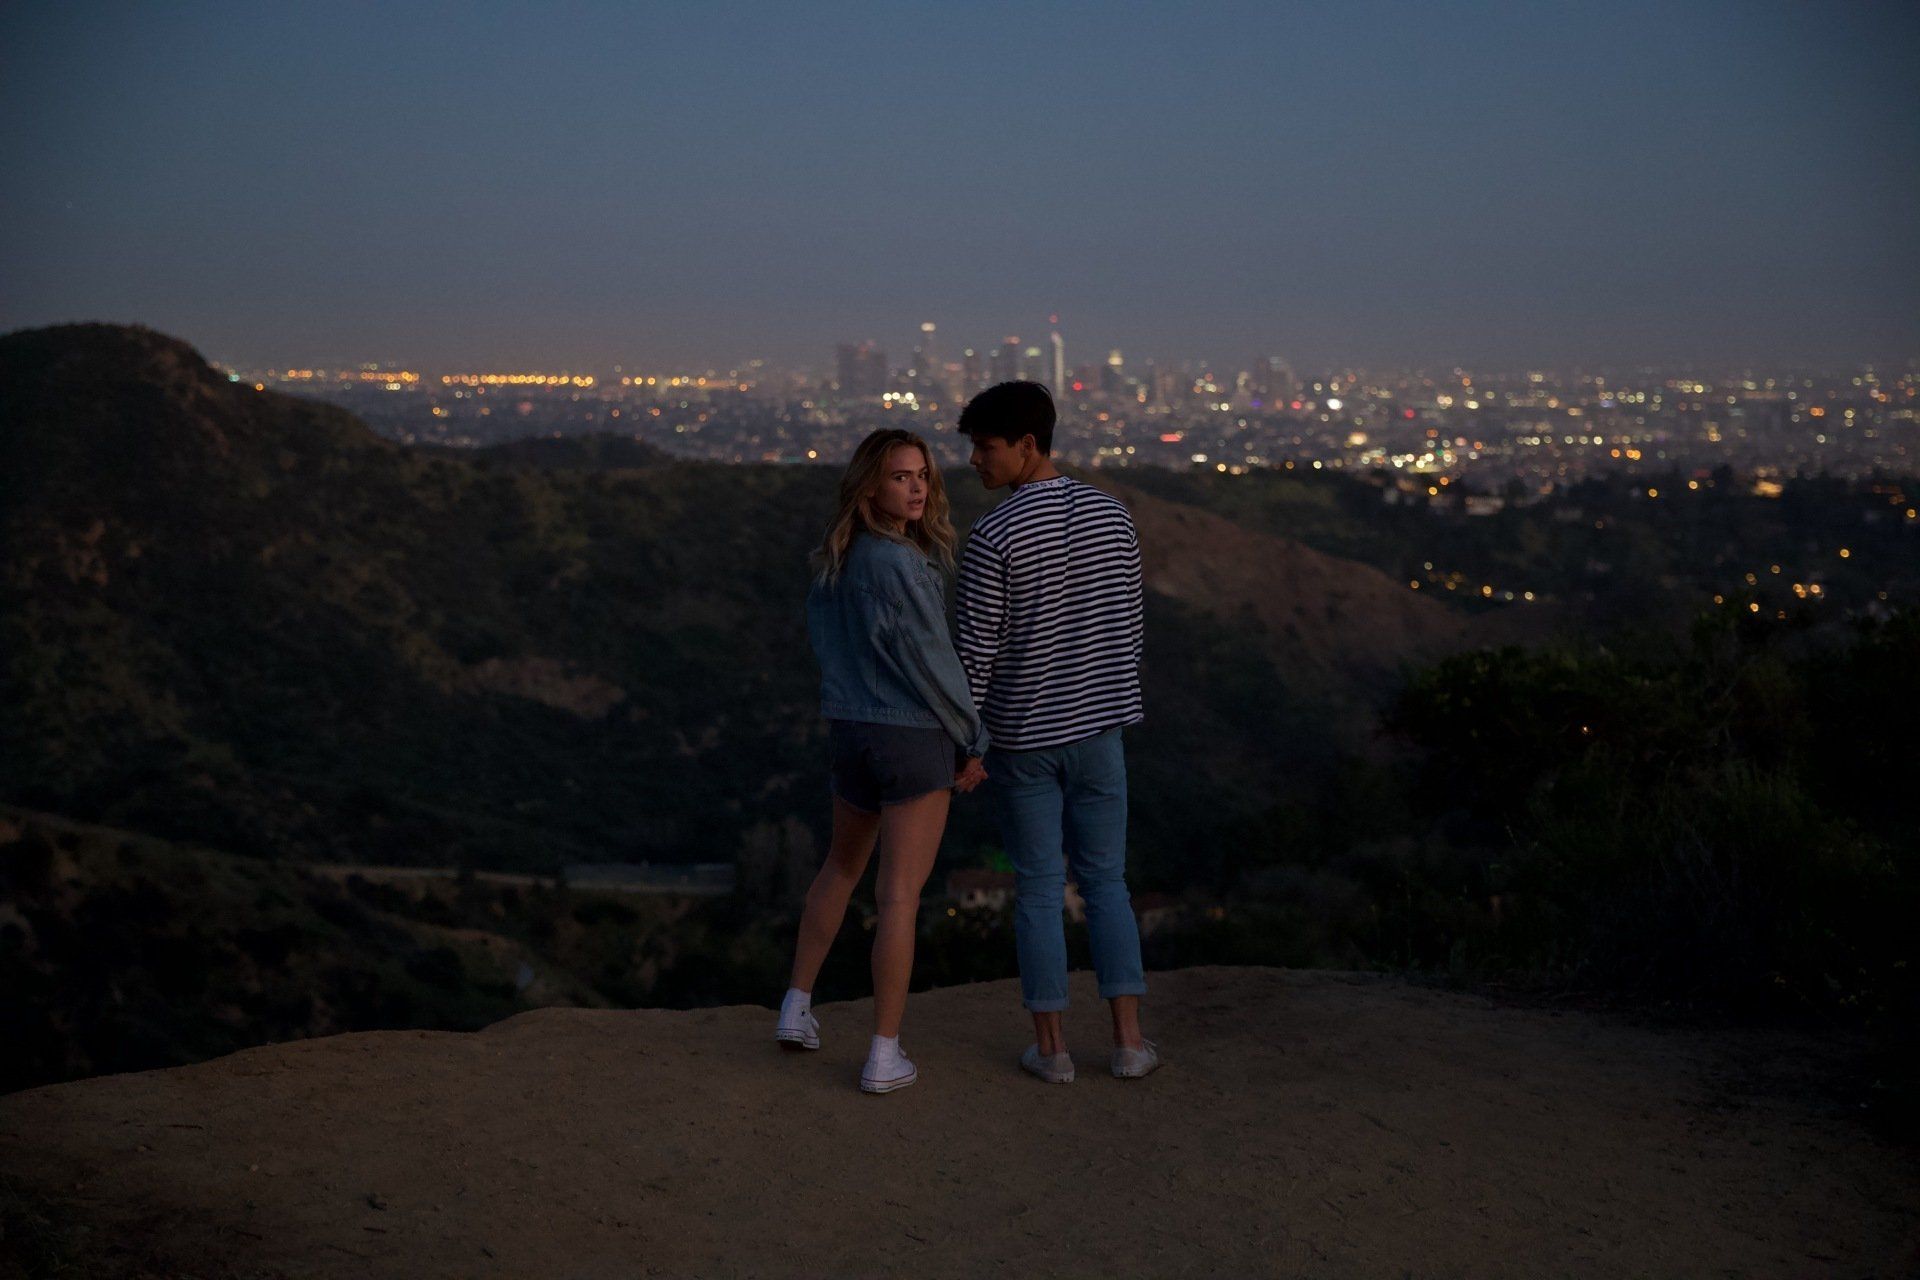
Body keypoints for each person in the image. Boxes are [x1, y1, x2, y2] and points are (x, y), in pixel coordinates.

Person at [954, 381, 1160, 1083]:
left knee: (1040, 888)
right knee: (1108, 884)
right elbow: (1130, 629)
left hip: (1024, 740)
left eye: (985, 448)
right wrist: (1116, 705)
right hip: (1102, 732)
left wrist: (969, 742)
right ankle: (1130, 1043)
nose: (975, 462)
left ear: (1027, 446)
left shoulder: (994, 534)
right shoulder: (1114, 516)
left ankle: (1052, 1051)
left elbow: (976, 652)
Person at [776, 427, 990, 1094]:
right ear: (871, 484)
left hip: (851, 731)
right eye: (902, 476)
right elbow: (933, 663)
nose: (919, 486)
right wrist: (973, 736)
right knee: (898, 895)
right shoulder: (899, 565)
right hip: (910, 739)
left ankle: (795, 1006)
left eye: (923, 474)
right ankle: (883, 1054)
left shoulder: (835, 561)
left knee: (840, 868)